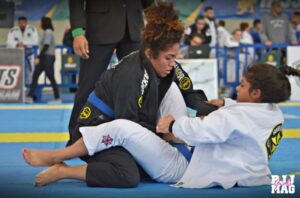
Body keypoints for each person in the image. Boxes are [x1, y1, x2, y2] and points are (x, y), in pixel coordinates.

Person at [23, 2, 215, 188]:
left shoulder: (169, 64)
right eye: (168, 58)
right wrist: (166, 135)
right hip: (97, 128)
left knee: (172, 93)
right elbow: (127, 127)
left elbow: (190, 93)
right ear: (150, 53)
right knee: (128, 174)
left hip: (126, 122)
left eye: (175, 56)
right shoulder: (131, 74)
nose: (173, 63)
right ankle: (63, 169)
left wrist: (217, 111)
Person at [22, 64, 300, 188]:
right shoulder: (272, 112)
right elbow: (237, 119)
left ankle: (59, 161)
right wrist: (227, 102)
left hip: (185, 167)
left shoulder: (236, 118)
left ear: (255, 95)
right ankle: (151, 132)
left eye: (242, 86)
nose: (237, 87)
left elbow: (204, 129)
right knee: (172, 91)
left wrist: (173, 126)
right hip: (209, 156)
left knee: (121, 128)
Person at [68, 0, 154, 135]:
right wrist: (78, 32)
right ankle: (76, 135)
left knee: (140, 85)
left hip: (133, 27)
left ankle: (142, 133)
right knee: (88, 85)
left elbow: (147, 3)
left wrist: (154, 24)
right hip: (99, 27)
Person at [26, 17, 61, 103]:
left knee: (51, 77)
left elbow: (46, 46)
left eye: (41, 22)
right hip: (44, 57)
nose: (39, 24)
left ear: (44, 23)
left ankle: (57, 98)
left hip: (48, 57)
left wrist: (38, 57)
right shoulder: (46, 32)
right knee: (35, 75)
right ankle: (29, 97)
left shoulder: (48, 32)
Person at [6, 16, 39, 84]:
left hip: (30, 54)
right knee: (18, 71)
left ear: (26, 23)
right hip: (17, 55)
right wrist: (17, 44)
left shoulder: (32, 29)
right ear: (18, 23)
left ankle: (29, 89)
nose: (22, 24)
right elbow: (8, 42)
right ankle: (19, 86)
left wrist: (24, 44)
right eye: (20, 23)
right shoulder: (13, 30)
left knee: (30, 72)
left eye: (23, 23)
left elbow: (35, 41)